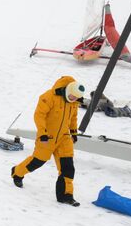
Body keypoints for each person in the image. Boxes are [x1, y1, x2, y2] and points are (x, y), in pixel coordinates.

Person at [11, 75, 88, 207]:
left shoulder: (74, 101)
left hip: (64, 138)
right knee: (37, 161)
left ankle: (66, 195)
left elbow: (73, 117)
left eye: (75, 98)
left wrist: (73, 132)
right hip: (47, 137)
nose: (73, 100)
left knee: (67, 167)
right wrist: (42, 133)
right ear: (68, 90)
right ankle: (17, 172)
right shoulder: (49, 96)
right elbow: (39, 116)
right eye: (72, 97)